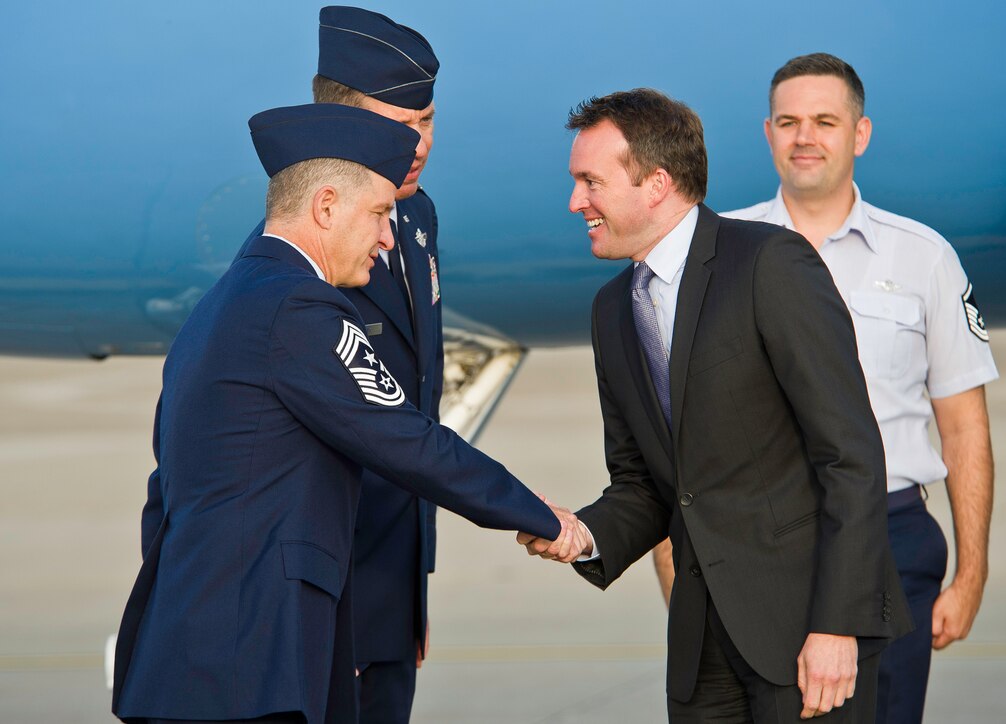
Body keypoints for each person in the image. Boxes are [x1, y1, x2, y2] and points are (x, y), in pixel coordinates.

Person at [112, 103, 586, 724]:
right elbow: (408, 441)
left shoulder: (224, 304)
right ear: (327, 206)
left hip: (196, 653)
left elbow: (165, 494)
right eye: (381, 213)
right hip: (251, 665)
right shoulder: (300, 311)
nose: (389, 236)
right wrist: (539, 515)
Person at [521, 87, 911, 723]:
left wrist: (839, 625)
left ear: (656, 182)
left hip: (806, 634)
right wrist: (582, 534)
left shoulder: (769, 264)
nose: (576, 202)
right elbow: (646, 485)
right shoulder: (612, 310)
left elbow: (851, 455)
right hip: (702, 645)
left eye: (591, 181)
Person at [712, 53, 995, 724]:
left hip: (890, 540)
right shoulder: (719, 254)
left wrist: (971, 574)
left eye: (824, 121)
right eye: (789, 122)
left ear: (859, 135)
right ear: (768, 133)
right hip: (762, 541)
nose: (805, 137)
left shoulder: (922, 257)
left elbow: (964, 426)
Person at [238, 8, 445, 720]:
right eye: (398, 125)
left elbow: (416, 401)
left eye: (426, 121)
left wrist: (411, 592)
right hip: (327, 586)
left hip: (391, 585)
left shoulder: (416, 221)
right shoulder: (300, 258)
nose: (415, 145)